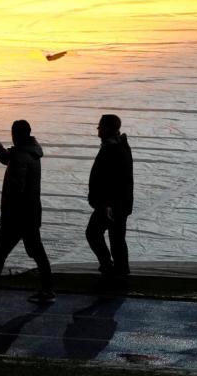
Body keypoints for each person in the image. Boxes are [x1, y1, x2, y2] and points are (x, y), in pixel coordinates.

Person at [0, 120, 55, 304]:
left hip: (17, 217)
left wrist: (8, 214)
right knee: (35, 252)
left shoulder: (21, 157)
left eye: (12, 134)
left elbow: (16, 188)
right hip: (30, 214)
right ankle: (47, 290)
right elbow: (6, 157)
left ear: (16, 135)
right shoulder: (30, 152)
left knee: (0, 251)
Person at [86, 114, 134, 278]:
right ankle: (119, 270)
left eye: (100, 126)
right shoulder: (118, 146)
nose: (98, 129)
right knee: (116, 238)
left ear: (107, 128)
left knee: (94, 234)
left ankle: (110, 266)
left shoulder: (113, 149)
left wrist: (107, 205)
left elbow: (114, 180)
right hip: (117, 203)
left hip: (111, 204)